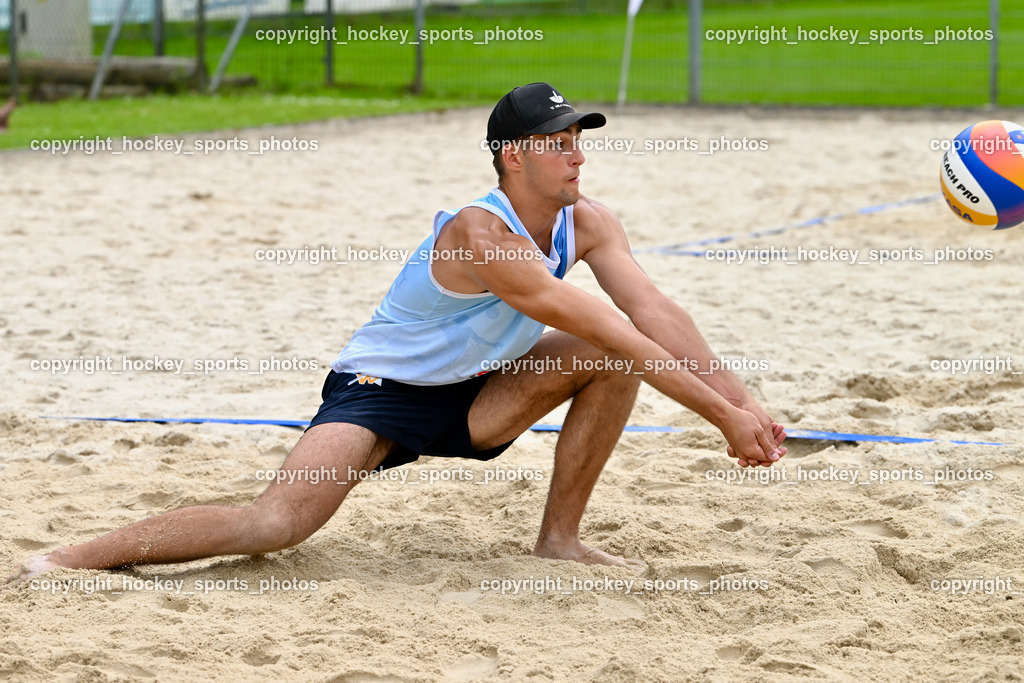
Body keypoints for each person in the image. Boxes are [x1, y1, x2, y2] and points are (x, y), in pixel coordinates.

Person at [4, 82, 785, 586]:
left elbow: (654, 313)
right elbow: (601, 320)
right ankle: (74, 556)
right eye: (559, 141)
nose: (577, 152)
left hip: (480, 397)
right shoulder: (482, 233)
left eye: (580, 137)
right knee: (273, 525)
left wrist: (741, 397)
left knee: (615, 352)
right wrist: (723, 420)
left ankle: (559, 538)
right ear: (514, 157)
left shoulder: (590, 221)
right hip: (381, 394)